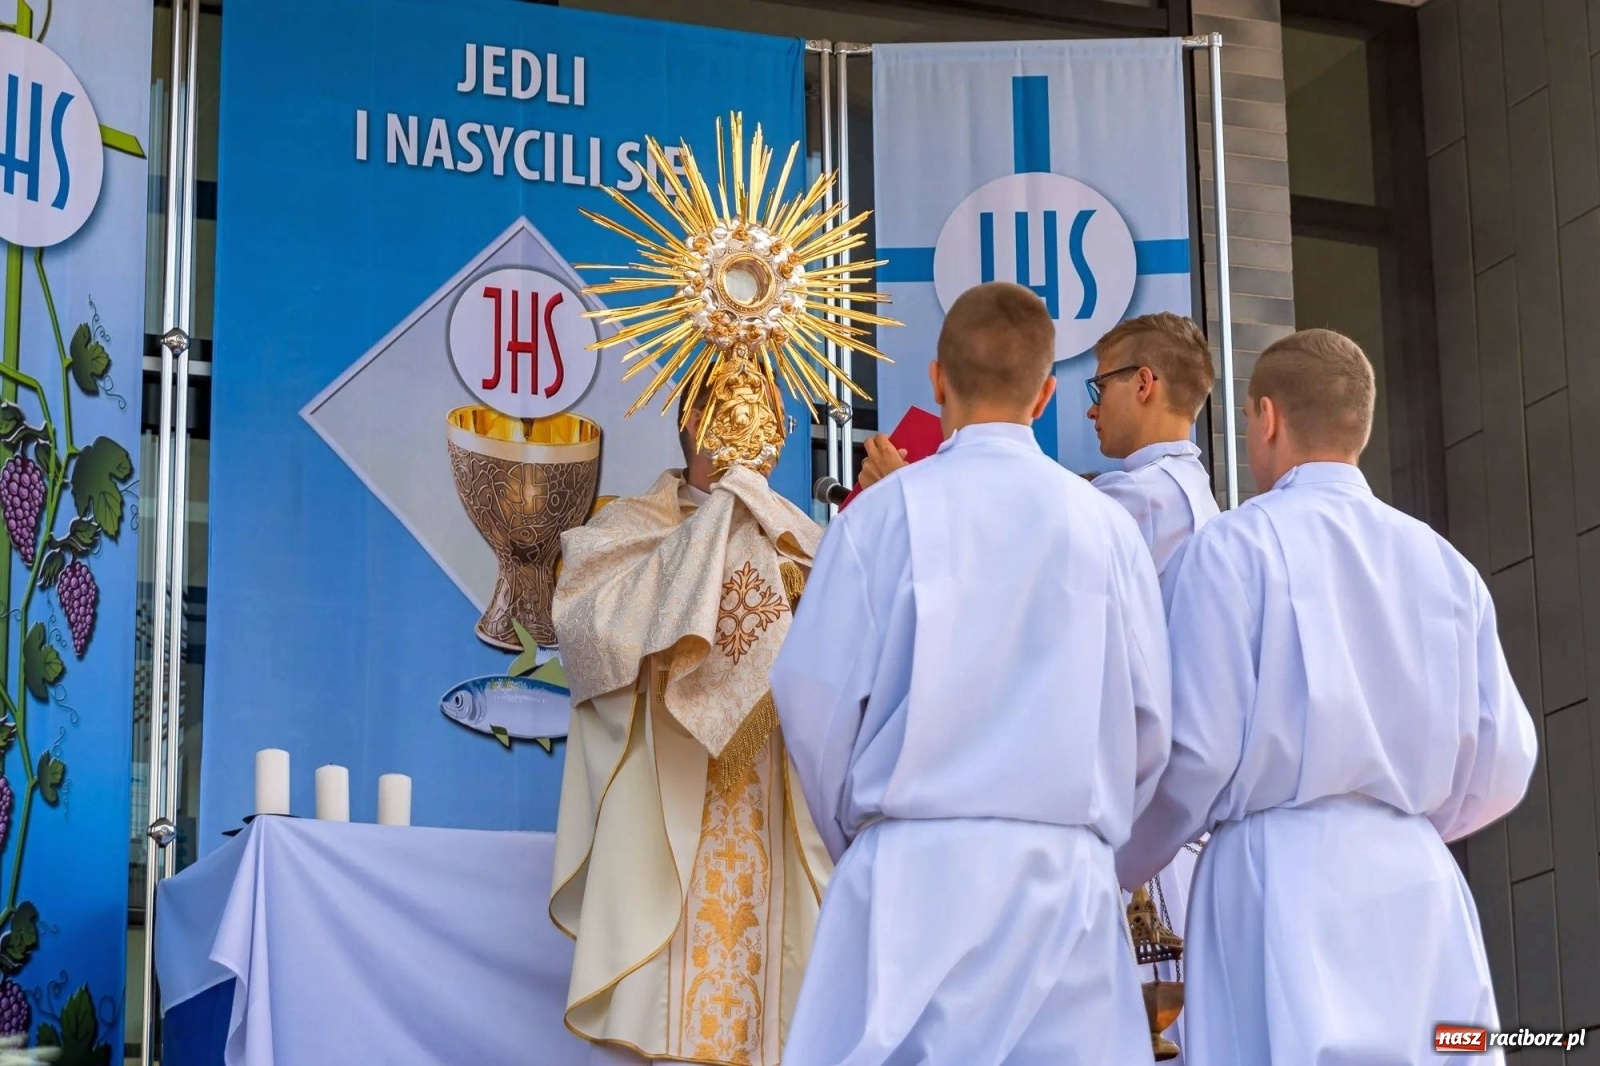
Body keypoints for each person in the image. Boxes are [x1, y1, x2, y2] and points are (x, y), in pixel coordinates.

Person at [770, 281, 1170, 1065]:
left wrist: (864, 839)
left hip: (913, 879)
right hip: (1066, 884)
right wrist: (1097, 843)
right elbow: (1150, 724)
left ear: (937, 381)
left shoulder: (879, 517)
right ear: (1048, 392)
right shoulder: (1106, 528)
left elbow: (811, 703)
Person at [1117, 329, 1537, 1064]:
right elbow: (1506, 763)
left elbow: (1194, 757)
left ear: (1268, 419)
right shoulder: (1446, 566)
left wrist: (1113, 863)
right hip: (1416, 878)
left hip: (1278, 873)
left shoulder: (1229, 550)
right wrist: (1399, 820)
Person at [549, 387, 832, 1066]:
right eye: (731, 403)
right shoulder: (625, 533)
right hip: (667, 815)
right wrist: (705, 548)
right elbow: (586, 637)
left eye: (765, 405)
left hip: (774, 808)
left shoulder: (807, 541)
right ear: (692, 420)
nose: (749, 421)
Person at [1083, 311, 1220, 1061]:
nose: (1092, 406)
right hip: (1178, 825)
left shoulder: (1144, 501)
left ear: (1145, 382)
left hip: (1144, 827)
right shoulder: (1182, 491)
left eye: (1099, 385)